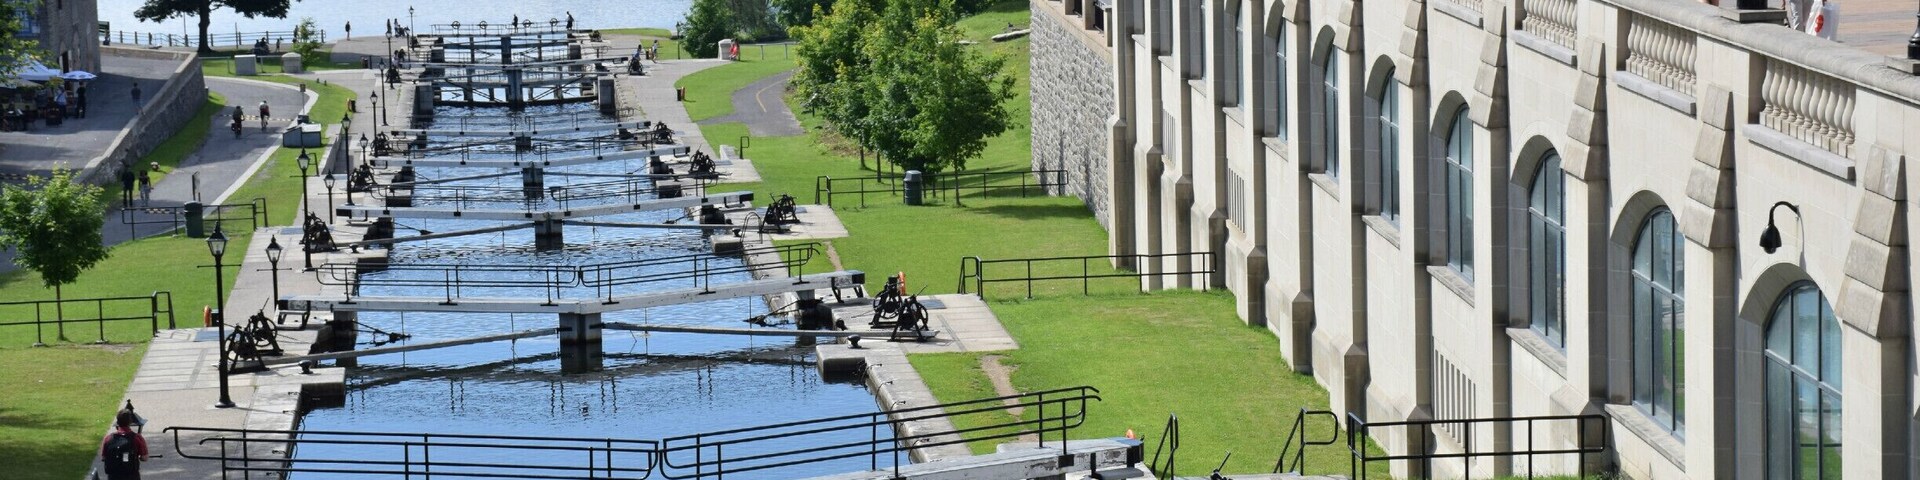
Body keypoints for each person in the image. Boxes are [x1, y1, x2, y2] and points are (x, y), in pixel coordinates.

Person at [99, 404, 149, 480]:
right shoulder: (137, 438)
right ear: (130, 422)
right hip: (131, 476)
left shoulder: (108, 438)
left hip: (113, 477)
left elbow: (103, 457)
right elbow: (144, 458)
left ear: (118, 421)